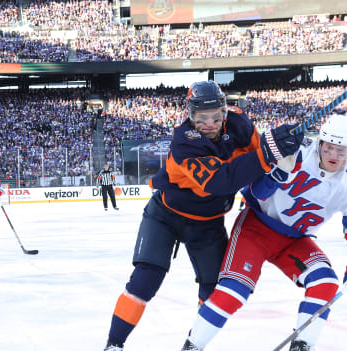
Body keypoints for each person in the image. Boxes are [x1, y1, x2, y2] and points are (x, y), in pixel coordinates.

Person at [103, 81, 303, 351]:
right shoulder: (184, 142)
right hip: (166, 216)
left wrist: (282, 147)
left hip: (207, 224)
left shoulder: (239, 124)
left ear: (225, 111)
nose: (209, 124)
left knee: (213, 290)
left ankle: (194, 344)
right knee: (145, 279)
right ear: (190, 115)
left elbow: (260, 159)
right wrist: (270, 151)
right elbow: (222, 180)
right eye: (201, 119)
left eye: (216, 117)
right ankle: (113, 345)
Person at [180, 114, 347, 351]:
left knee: (325, 282)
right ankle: (192, 346)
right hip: (257, 227)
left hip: (294, 240)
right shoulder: (296, 151)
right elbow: (257, 192)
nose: (334, 156)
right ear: (320, 142)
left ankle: (302, 345)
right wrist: (277, 174)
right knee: (235, 290)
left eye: (342, 150)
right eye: (328, 148)